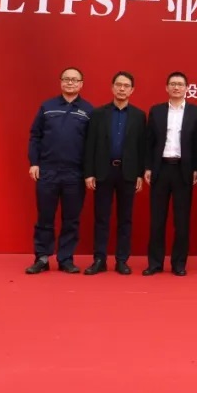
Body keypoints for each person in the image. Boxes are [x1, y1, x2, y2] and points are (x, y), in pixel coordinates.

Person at [25, 67, 94, 275]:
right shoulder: (47, 107)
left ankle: (66, 258)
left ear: (81, 84)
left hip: (75, 173)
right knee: (45, 217)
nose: (70, 83)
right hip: (48, 171)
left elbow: (92, 145)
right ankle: (42, 257)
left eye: (75, 80)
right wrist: (34, 162)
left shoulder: (88, 111)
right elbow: (35, 136)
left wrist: (88, 172)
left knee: (71, 219)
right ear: (61, 82)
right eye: (66, 79)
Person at [82, 71, 147, 275]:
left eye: (126, 86)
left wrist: (139, 174)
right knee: (101, 218)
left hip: (128, 173)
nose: (122, 88)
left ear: (132, 90)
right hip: (103, 171)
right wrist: (89, 173)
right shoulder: (98, 114)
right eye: (118, 85)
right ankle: (99, 259)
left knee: (125, 219)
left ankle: (121, 260)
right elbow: (90, 144)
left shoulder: (139, 116)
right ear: (112, 87)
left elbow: (141, 147)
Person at [143, 71, 197, 276]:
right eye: (173, 84)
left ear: (187, 88)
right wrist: (148, 167)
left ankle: (179, 264)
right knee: (157, 220)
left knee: (182, 221)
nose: (176, 87)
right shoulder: (157, 111)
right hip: (160, 169)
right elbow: (149, 142)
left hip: (182, 170)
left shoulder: (196, 112)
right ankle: (155, 263)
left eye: (180, 84)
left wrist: (196, 169)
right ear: (167, 88)